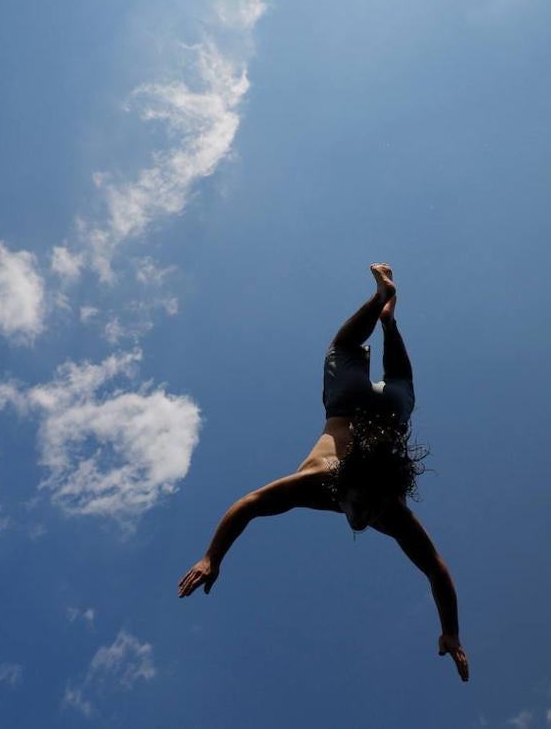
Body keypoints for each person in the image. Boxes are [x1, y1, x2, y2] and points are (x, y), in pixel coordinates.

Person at [177, 264, 470, 682]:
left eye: (365, 511)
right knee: (387, 372)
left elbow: (251, 505)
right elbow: (248, 505)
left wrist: (451, 633)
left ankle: (385, 314)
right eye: (364, 507)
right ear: (342, 483)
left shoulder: (373, 501)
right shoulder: (341, 488)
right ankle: (385, 317)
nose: (364, 517)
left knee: (348, 348)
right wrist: (210, 557)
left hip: (354, 409)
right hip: (371, 412)